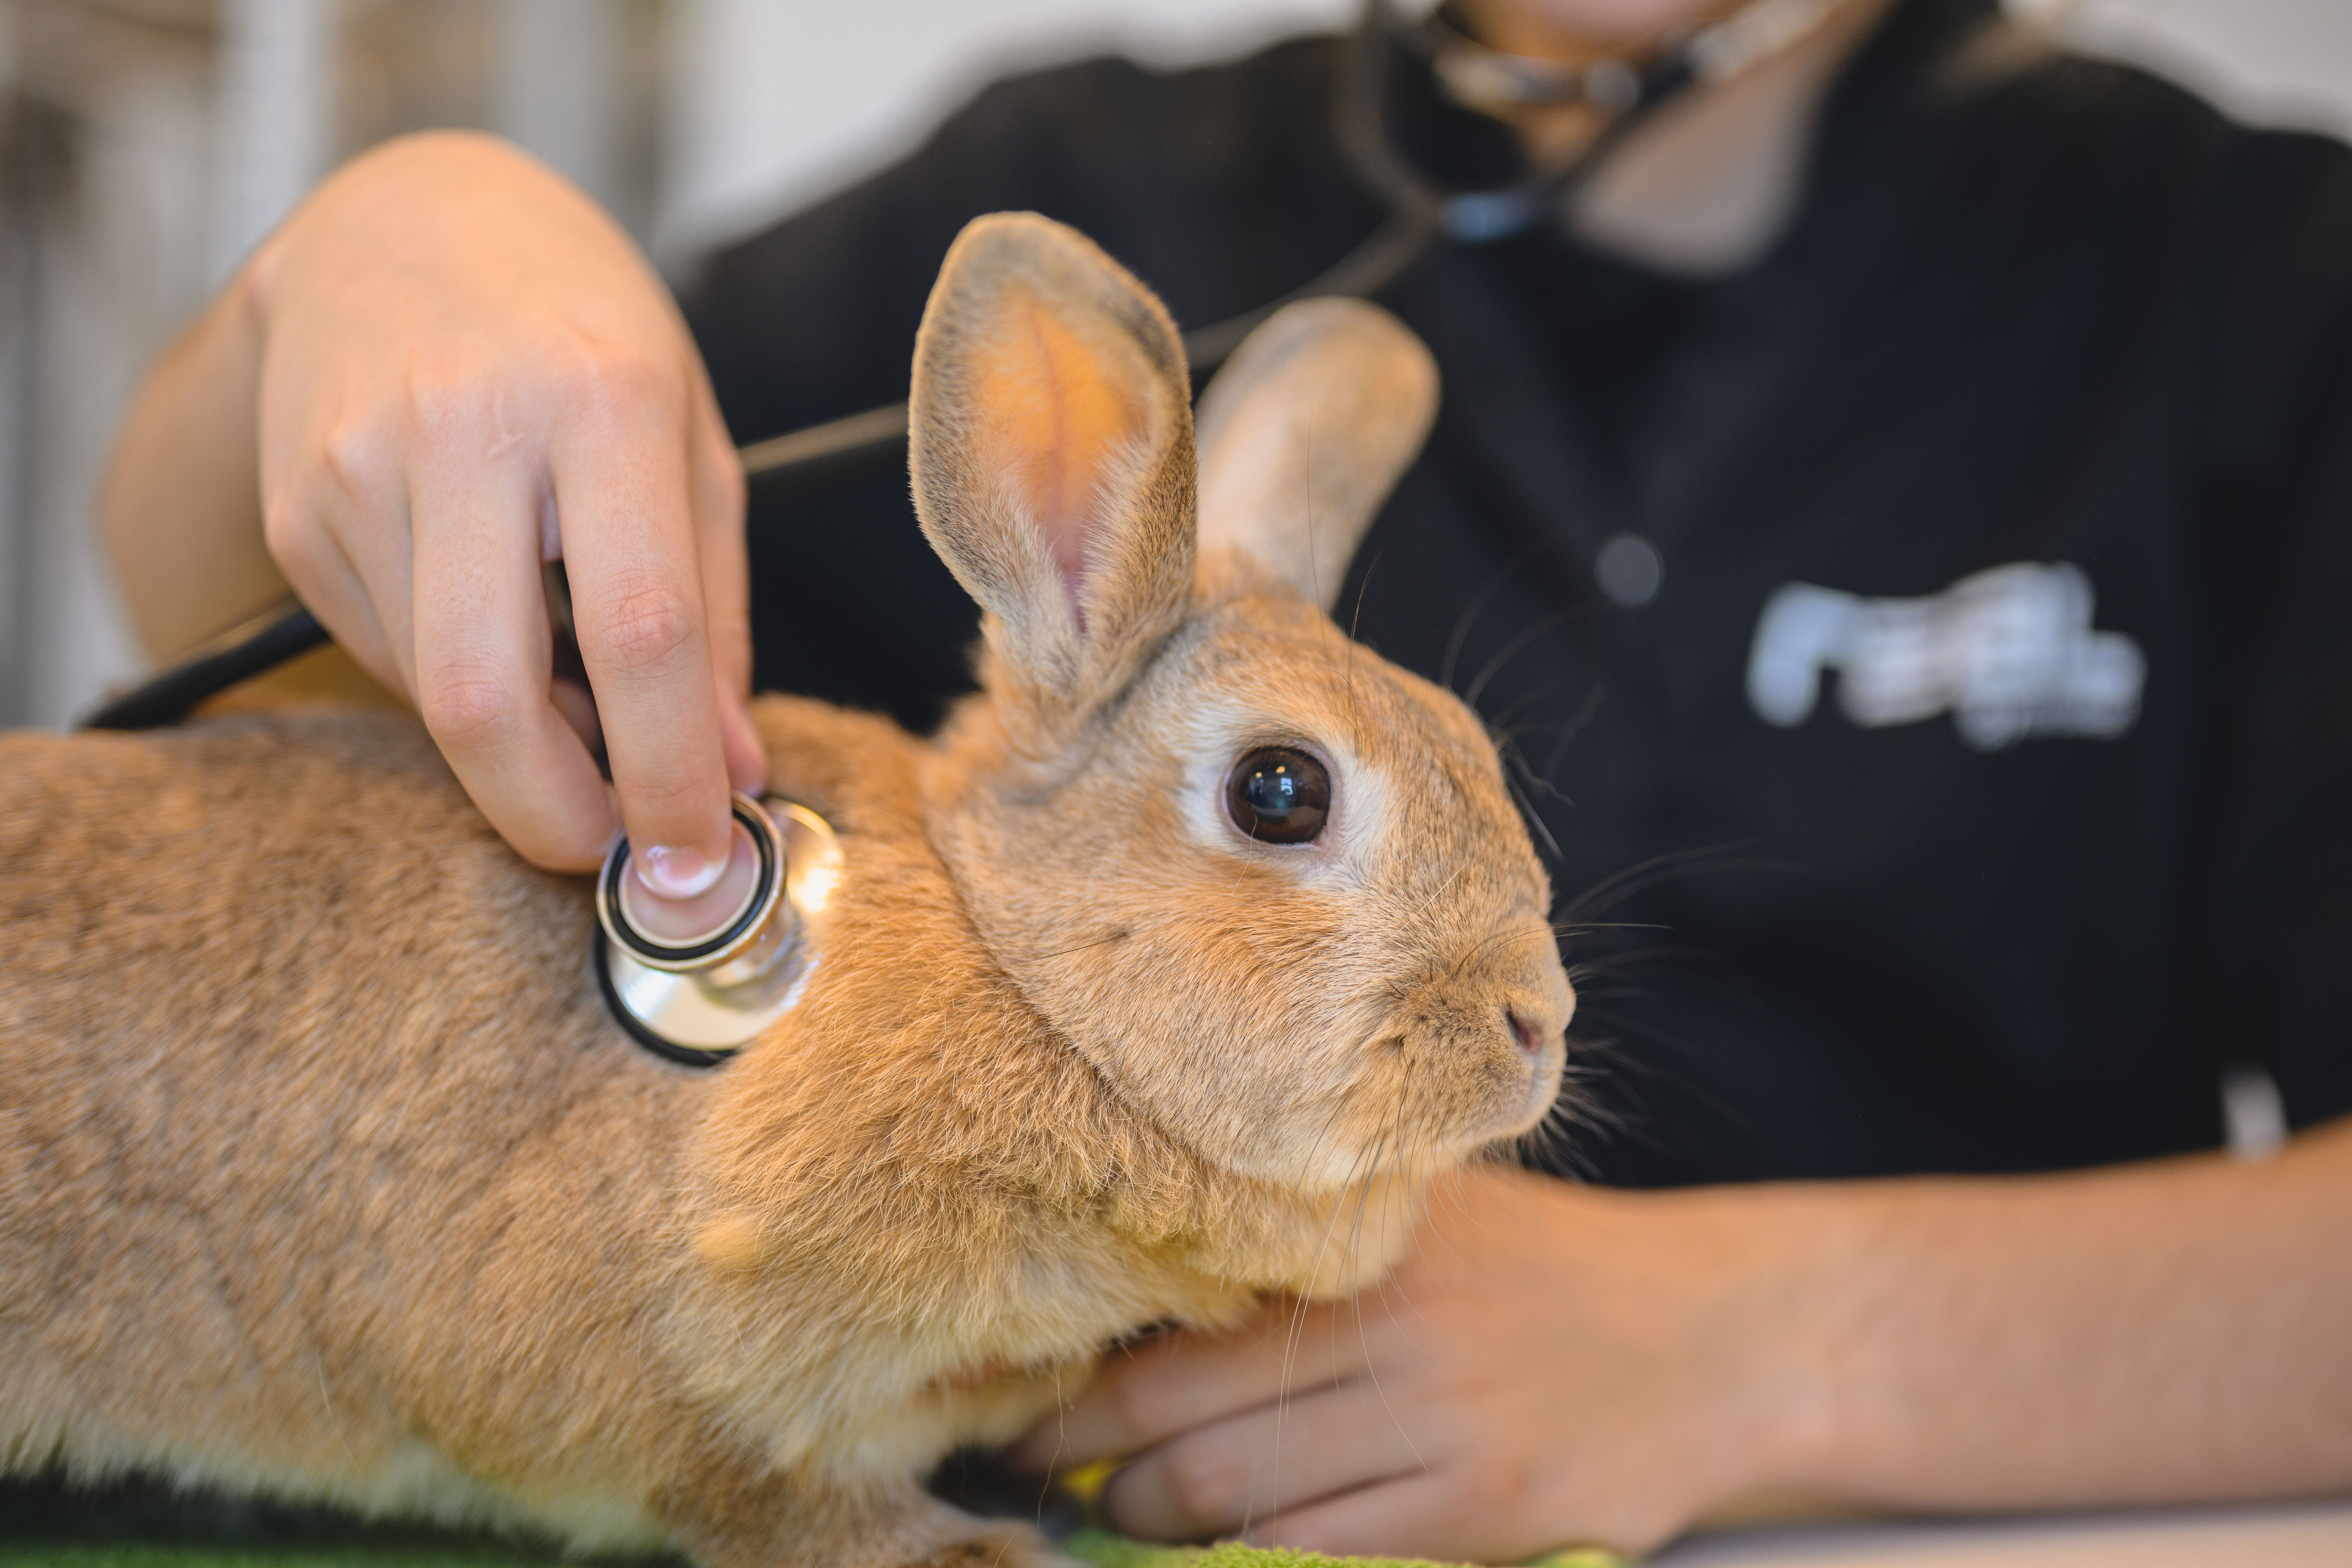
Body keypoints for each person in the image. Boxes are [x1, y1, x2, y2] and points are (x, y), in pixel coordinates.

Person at [96, 0, 2352, 1557]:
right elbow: (290, 722)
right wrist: (348, 274)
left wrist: (1753, 1344)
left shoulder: (2254, 293)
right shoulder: (1077, 185)